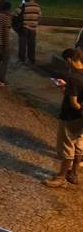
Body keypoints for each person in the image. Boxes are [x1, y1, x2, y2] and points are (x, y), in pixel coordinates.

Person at [43, 48, 83, 188]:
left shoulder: (73, 78)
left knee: (67, 147)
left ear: (69, 60)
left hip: (70, 118)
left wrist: (66, 92)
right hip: (81, 122)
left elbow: (74, 103)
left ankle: (61, 178)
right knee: (78, 145)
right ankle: (74, 174)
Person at [16, 0, 41, 64]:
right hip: (33, 28)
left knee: (22, 44)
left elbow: (15, 14)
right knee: (32, 44)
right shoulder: (37, 6)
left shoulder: (22, 6)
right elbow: (39, 16)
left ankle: (22, 58)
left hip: (24, 27)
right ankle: (31, 58)